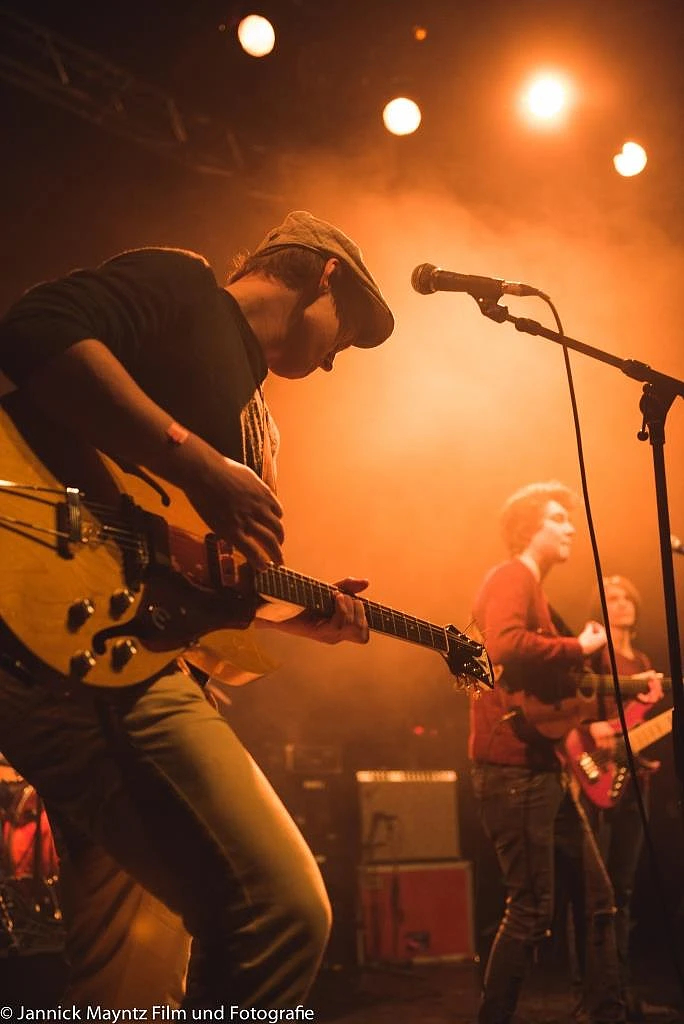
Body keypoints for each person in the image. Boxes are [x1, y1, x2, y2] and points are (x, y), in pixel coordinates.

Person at [0, 210, 394, 1009]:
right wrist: (199, 462)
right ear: (325, 275)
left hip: (120, 649)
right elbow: (31, 331)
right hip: (75, 648)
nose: (332, 366)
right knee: (279, 910)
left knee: (129, 981)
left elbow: (179, 585)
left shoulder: (262, 433)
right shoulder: (182, 284)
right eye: (346, 334)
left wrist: (289, 622)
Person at [468, 480, 627, 1024]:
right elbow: (504, 643)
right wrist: (579, 645)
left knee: (598, 897)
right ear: (529, 528)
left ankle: (604, 1012)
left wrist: (589, 662)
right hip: (513, 768)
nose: (569, 529)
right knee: (531, 909)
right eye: (558, 519)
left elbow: (553, 678)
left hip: (543, 767)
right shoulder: (513, 576)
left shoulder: (538, 593)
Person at [575, 576, 670, 1022]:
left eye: (627, 597)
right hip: (596, 777)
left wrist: (642, 756)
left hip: (634, 783)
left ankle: (622, 993)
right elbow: (574, 715)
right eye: (612, 599)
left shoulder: (644, 661)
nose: (623, 604)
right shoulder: (593, 655)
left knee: (626, 892)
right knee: (599, 895)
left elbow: (637, 731)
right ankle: (593, 997)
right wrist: (590, 735)